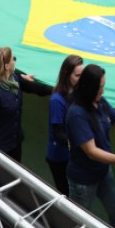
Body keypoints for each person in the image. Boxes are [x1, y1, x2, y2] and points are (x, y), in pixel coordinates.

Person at [65, 64, 115, 228]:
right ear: (90, 87)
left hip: (103, 172)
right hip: (83, 180)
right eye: (100, 87)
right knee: (80, 221)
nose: (103, 91)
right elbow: (91, 151)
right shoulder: (77, 113)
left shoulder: (99, 103)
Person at [0, 47, 51, 162]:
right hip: (1, 147)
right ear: (7, 66)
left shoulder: (15, 78)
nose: (15, 61)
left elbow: (35, 88)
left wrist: (55, 90)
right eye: (14, 59)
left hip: (15, 141)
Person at [47, 55, 84, 196]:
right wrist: (80, 145)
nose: (81, 79)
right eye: (77, 75)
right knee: (68, 195)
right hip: (60, 158)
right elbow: (58, 132)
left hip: (71, 155)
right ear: (67, 75)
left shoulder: (77, 94)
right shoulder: (57, 100)